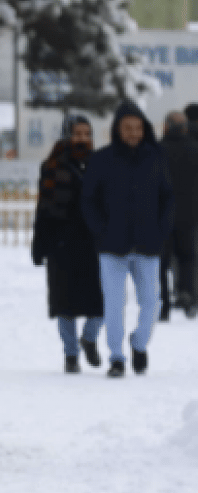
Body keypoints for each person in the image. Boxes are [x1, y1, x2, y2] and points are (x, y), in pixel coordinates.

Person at [80, 102, 174, 377]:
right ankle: (117, 357)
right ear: (117, 130)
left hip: (148, 244)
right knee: (114, 303)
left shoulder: (157, 158)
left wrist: (162, 229)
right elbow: (88, 200)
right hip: (112, 245)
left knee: (152, 302)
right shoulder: (101, 159)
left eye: (138, 128)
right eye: (128, 128)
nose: (134, 133)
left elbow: (167, 197)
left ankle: (139, 343)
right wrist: (100, 229)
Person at [31, 114, 103, 373]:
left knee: (100, 302)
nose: (83, 138)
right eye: (77, 133)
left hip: (94, 243)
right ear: (66, 135)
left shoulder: (101, 165)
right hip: (62, 242)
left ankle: (90, 338)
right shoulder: (52, 166)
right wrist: (40, 246)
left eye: (87, 133)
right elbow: (44, 208)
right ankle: (71, 355)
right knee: (65, 303)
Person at [159, 111, 198, 320]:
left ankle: (163, 305)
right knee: (188, 258)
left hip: (162, 216)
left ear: (166, 126)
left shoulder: (156, 151)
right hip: (189, 215)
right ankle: (188, 296)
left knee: (161, 263)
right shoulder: (195, 150)